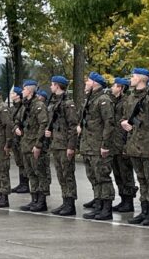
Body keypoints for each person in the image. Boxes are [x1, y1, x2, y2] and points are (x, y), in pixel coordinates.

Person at [121, 68, 149, 226]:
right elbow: (124, 117)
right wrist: (124, 123)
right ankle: (144, 210)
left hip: (147, 147)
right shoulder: (130, 98)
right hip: (134, 145)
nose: (130, 79)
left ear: (141, 79)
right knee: (141, 179)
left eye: (133, 76)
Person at [79, 72, 116, 220]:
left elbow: (109, 122)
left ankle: (106, 208)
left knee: (103, 177)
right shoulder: (90, 99)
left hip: (98, 146)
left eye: (88, 81)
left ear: (95, 83)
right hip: (89, 145)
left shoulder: (103, 100)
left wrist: (105, 145)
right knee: (94, 177)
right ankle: (98, 205)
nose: (86, 83)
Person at [44, 76, 79, 216]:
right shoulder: (54, 102)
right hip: (57, 144)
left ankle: (70, 204)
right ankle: (65, 201)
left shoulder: (67, 103)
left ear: (57, 86)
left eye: (52, 85)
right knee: (61, 175)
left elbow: (72, 126)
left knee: (68, 174)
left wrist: (71, 146)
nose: (51, 87)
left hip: (65, 144)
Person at [15, 80, 50, 212]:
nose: (22, 92)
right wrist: (16, 128)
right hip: (26, 144)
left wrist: (38, 144)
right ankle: (34, 199)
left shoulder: (38, 105)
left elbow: (43, 124)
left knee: (40, 173)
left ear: (29, 90)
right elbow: (17, 120)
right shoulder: (25, 106)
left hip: (34, 145)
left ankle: (42, 201)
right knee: (31, 174)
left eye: (23, 89)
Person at [108, 77, 136, 213]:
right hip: (115, 143)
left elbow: (129, 125)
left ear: (120, 88)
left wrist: (126, 146)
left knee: (126, 174)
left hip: (123, 143)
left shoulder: (126, 102)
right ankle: (123, 199)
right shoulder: (114, 101)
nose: (112, 88)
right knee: (118, 174)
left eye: (114, 86)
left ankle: (129, 201)